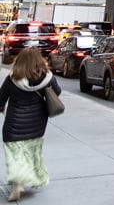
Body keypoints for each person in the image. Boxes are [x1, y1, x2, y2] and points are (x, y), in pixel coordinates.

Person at [0, 47, 61, 202]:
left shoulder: (12, 78)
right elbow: (57, 91)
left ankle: (17, 182)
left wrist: (2, 108)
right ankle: (30, 177)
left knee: (15, 153)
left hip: (14, 123)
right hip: (37, 122)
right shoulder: (47, 77)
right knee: (32, 150)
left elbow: (1, 99)